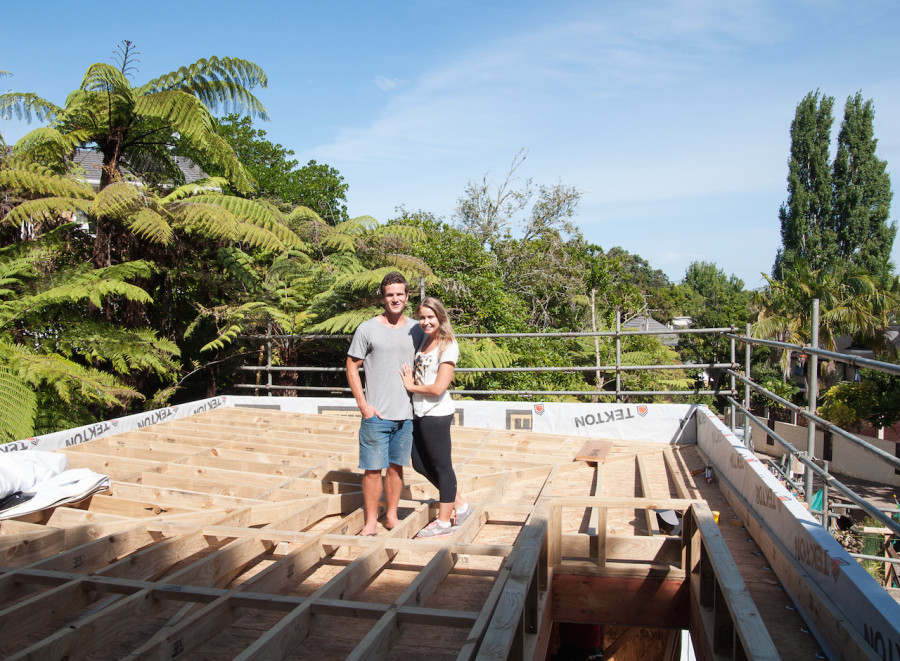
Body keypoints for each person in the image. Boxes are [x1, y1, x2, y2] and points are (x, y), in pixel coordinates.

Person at [346, 272, 423, 536]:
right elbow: (351, 366)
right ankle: (370, 522)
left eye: (400, 294)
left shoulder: (417, 329)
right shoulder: (367, 329)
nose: (395, 299)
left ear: (407, 297)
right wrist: (363, 405)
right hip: (376, 414)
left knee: (396, 468)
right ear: (382, 297)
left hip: (406, 413)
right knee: (371, 470)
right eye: (390, 295)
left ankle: (391, 516)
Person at [400, 296, 471, 538]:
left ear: (440, 318)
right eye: (422, 317)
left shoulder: (448, 345)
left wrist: (411, 387)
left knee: (442, 467)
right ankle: (460, 504)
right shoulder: (424, 341)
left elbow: (439, 387)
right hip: (419, 412)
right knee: (419, 463)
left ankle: (443, 522)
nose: (426, 321)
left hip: (436, 414)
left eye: (431, 317)